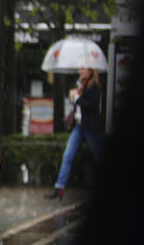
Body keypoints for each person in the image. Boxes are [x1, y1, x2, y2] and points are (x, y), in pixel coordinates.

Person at [45, 68, 105, 200]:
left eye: (83, 69)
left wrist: (77, 98)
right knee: (67, 155)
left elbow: (91, 105)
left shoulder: (94, 87)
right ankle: (59, 187)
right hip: (78, 126)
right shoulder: (81, 86)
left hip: (91, 127)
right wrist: (73, 97)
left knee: (99, 156)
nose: (80, 71)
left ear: (90, 71)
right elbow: (78, 106)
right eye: (80, 69)